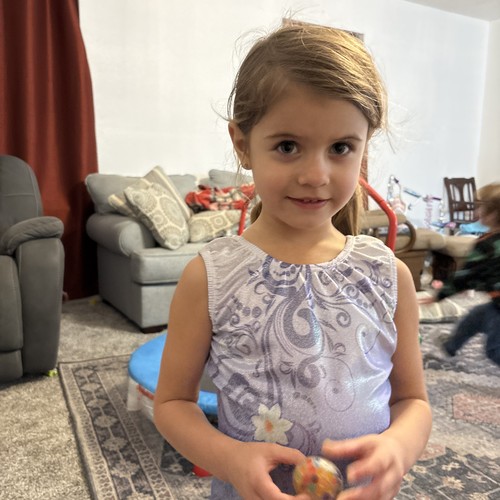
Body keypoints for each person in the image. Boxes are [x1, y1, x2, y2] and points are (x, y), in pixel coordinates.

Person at [154, 23, 432, 500]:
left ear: (364, 147)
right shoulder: (211, 277)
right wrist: (230, 459)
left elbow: (413, 401)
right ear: (242, 144)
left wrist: (399, 449)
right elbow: (173, 404)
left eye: (341, 148)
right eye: (287, 146)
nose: (315, 175)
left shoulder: (389, 275)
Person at [432, 182, 500, 366]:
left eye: (480, 207)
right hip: (495, 305)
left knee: (494, 350)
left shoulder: (487, 245)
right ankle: (450, 346)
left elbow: (466, 275)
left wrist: (440, 295)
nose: (477, 211)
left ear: (493, 213)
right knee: (475, 317)